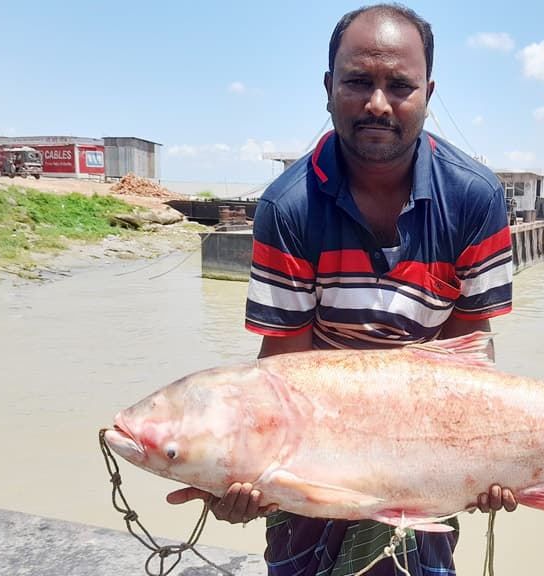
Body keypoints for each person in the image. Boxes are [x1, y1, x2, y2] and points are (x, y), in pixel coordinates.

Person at [167, 4, 516, 574]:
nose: (378, 103)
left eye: (399, 85)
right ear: (329, 88)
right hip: (316, 436)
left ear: (428, 91)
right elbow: (284, 368)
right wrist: (245, 474)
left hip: (425, 435)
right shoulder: (289, 208)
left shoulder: (475, 199)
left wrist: (489, 457)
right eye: (359, 81)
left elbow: (471, 360)